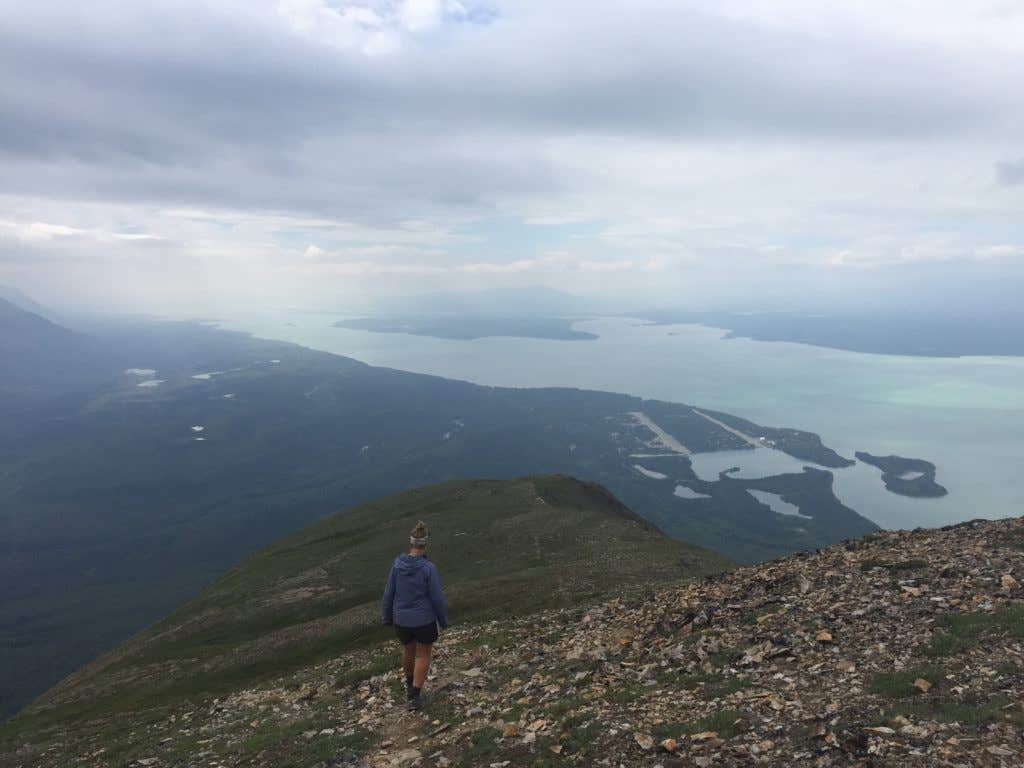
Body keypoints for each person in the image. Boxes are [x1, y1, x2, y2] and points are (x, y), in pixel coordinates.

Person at [380, 520, 449, 711]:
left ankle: (409, 685)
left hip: (401, 620)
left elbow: (388, 593)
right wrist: (443, 621)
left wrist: (386, 617)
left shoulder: (397, 565)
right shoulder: (428, 569)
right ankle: (415, 695)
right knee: (423, 654)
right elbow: (437, 598)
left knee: (408, 650)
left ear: (411, 543)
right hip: (424, 620)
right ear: (426, 544)